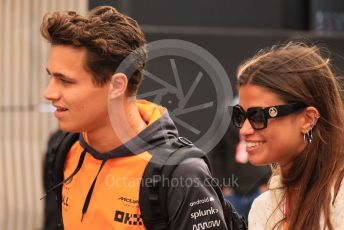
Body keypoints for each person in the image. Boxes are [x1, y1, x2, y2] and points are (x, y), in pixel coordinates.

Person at [41, 6, 233, 230]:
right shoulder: (65, 149)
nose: (49, 93)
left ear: (117, 85)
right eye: (51, 77)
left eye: (65, 81)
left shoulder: (182, 173)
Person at [231, 42, 344, 229]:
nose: (244, 130)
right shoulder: (263, 208)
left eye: (258, 115)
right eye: (239, 115)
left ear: (308, 119)